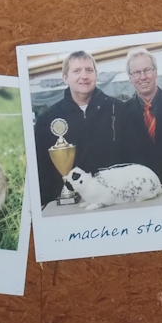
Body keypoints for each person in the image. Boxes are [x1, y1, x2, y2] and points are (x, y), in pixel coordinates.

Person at [33, 50, 120, 206]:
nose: (84, 76)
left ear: (96, 75)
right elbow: (42, 169)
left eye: (89, 70)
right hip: (67, 204)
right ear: (65, 77)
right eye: (77, 71)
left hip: (113, 198)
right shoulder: (47, 119)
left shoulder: (118, 109)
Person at [116, 47, 162, 187]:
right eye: (136, 72)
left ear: (156, 73)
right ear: (130, 78)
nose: (143, 77)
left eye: (147, 70)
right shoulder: (121, 114)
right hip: (141, 190)